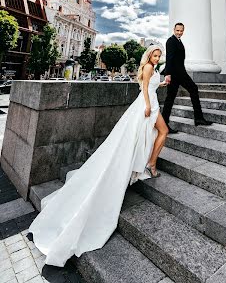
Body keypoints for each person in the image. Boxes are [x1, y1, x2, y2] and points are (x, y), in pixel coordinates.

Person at [29, 46, 169, 267]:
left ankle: (148, 163)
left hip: (147, 105)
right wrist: (149, 106)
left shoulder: (149, 68)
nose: (157, 57)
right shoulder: (150, 67)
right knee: (160, 132)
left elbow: (149, 84)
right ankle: (150, 163)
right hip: (147, 106)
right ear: (149, 56)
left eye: (159, 55)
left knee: (145, 136)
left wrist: (161, 84)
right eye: (155, 54)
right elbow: (144, 89)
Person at [162, 22, 212, 133]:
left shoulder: (178, 41)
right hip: (175, 75)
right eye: (177, 30)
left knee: (189, 90)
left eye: (181, 31)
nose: (179, 32)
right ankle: (165, 124)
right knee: (171, 98)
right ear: (174, 30)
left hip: (180, 73)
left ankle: (198, 118)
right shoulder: (171, 41)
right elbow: (169, 58)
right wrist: (167, 74)